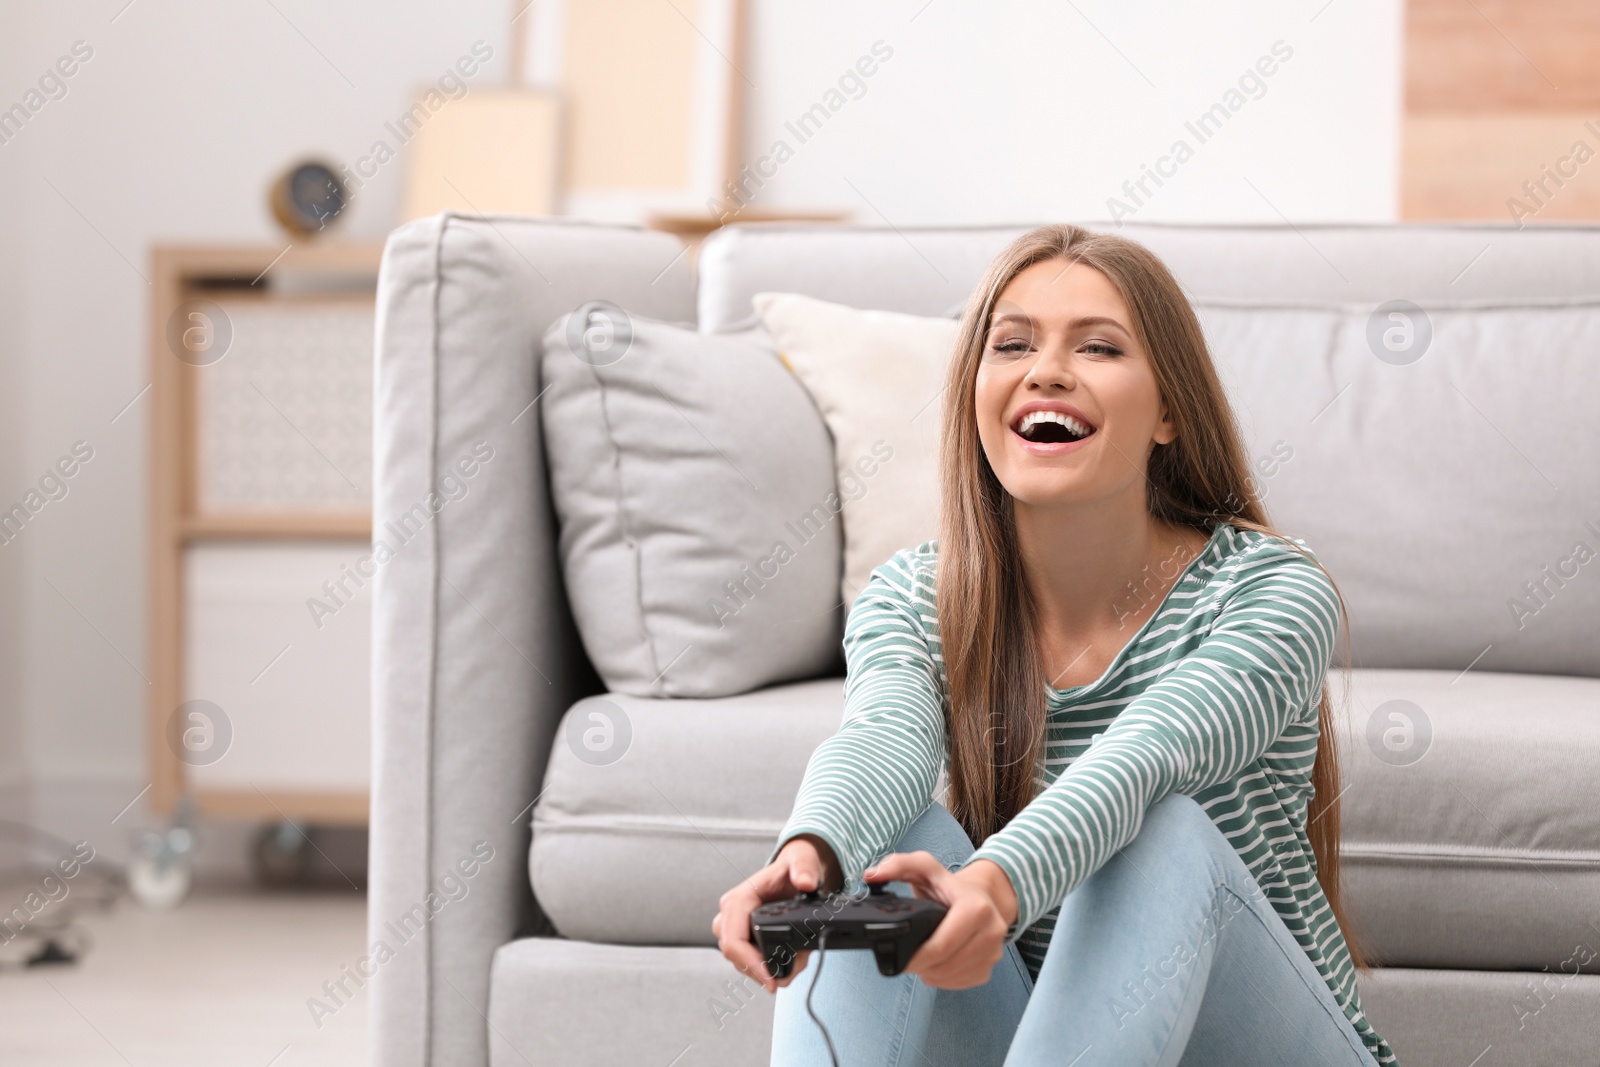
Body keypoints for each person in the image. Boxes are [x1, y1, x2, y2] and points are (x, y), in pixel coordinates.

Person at [712, 224, 1397, 1066]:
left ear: (1171, 412)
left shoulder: (1271, 590)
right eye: (1013, 344)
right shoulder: (913, 595)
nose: (1046, 370)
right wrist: (808, 852)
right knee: (885, 850)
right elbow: (883, 734)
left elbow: (1149, 752)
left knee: (1162, 829)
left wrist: (995, 889)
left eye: (1100, 346)